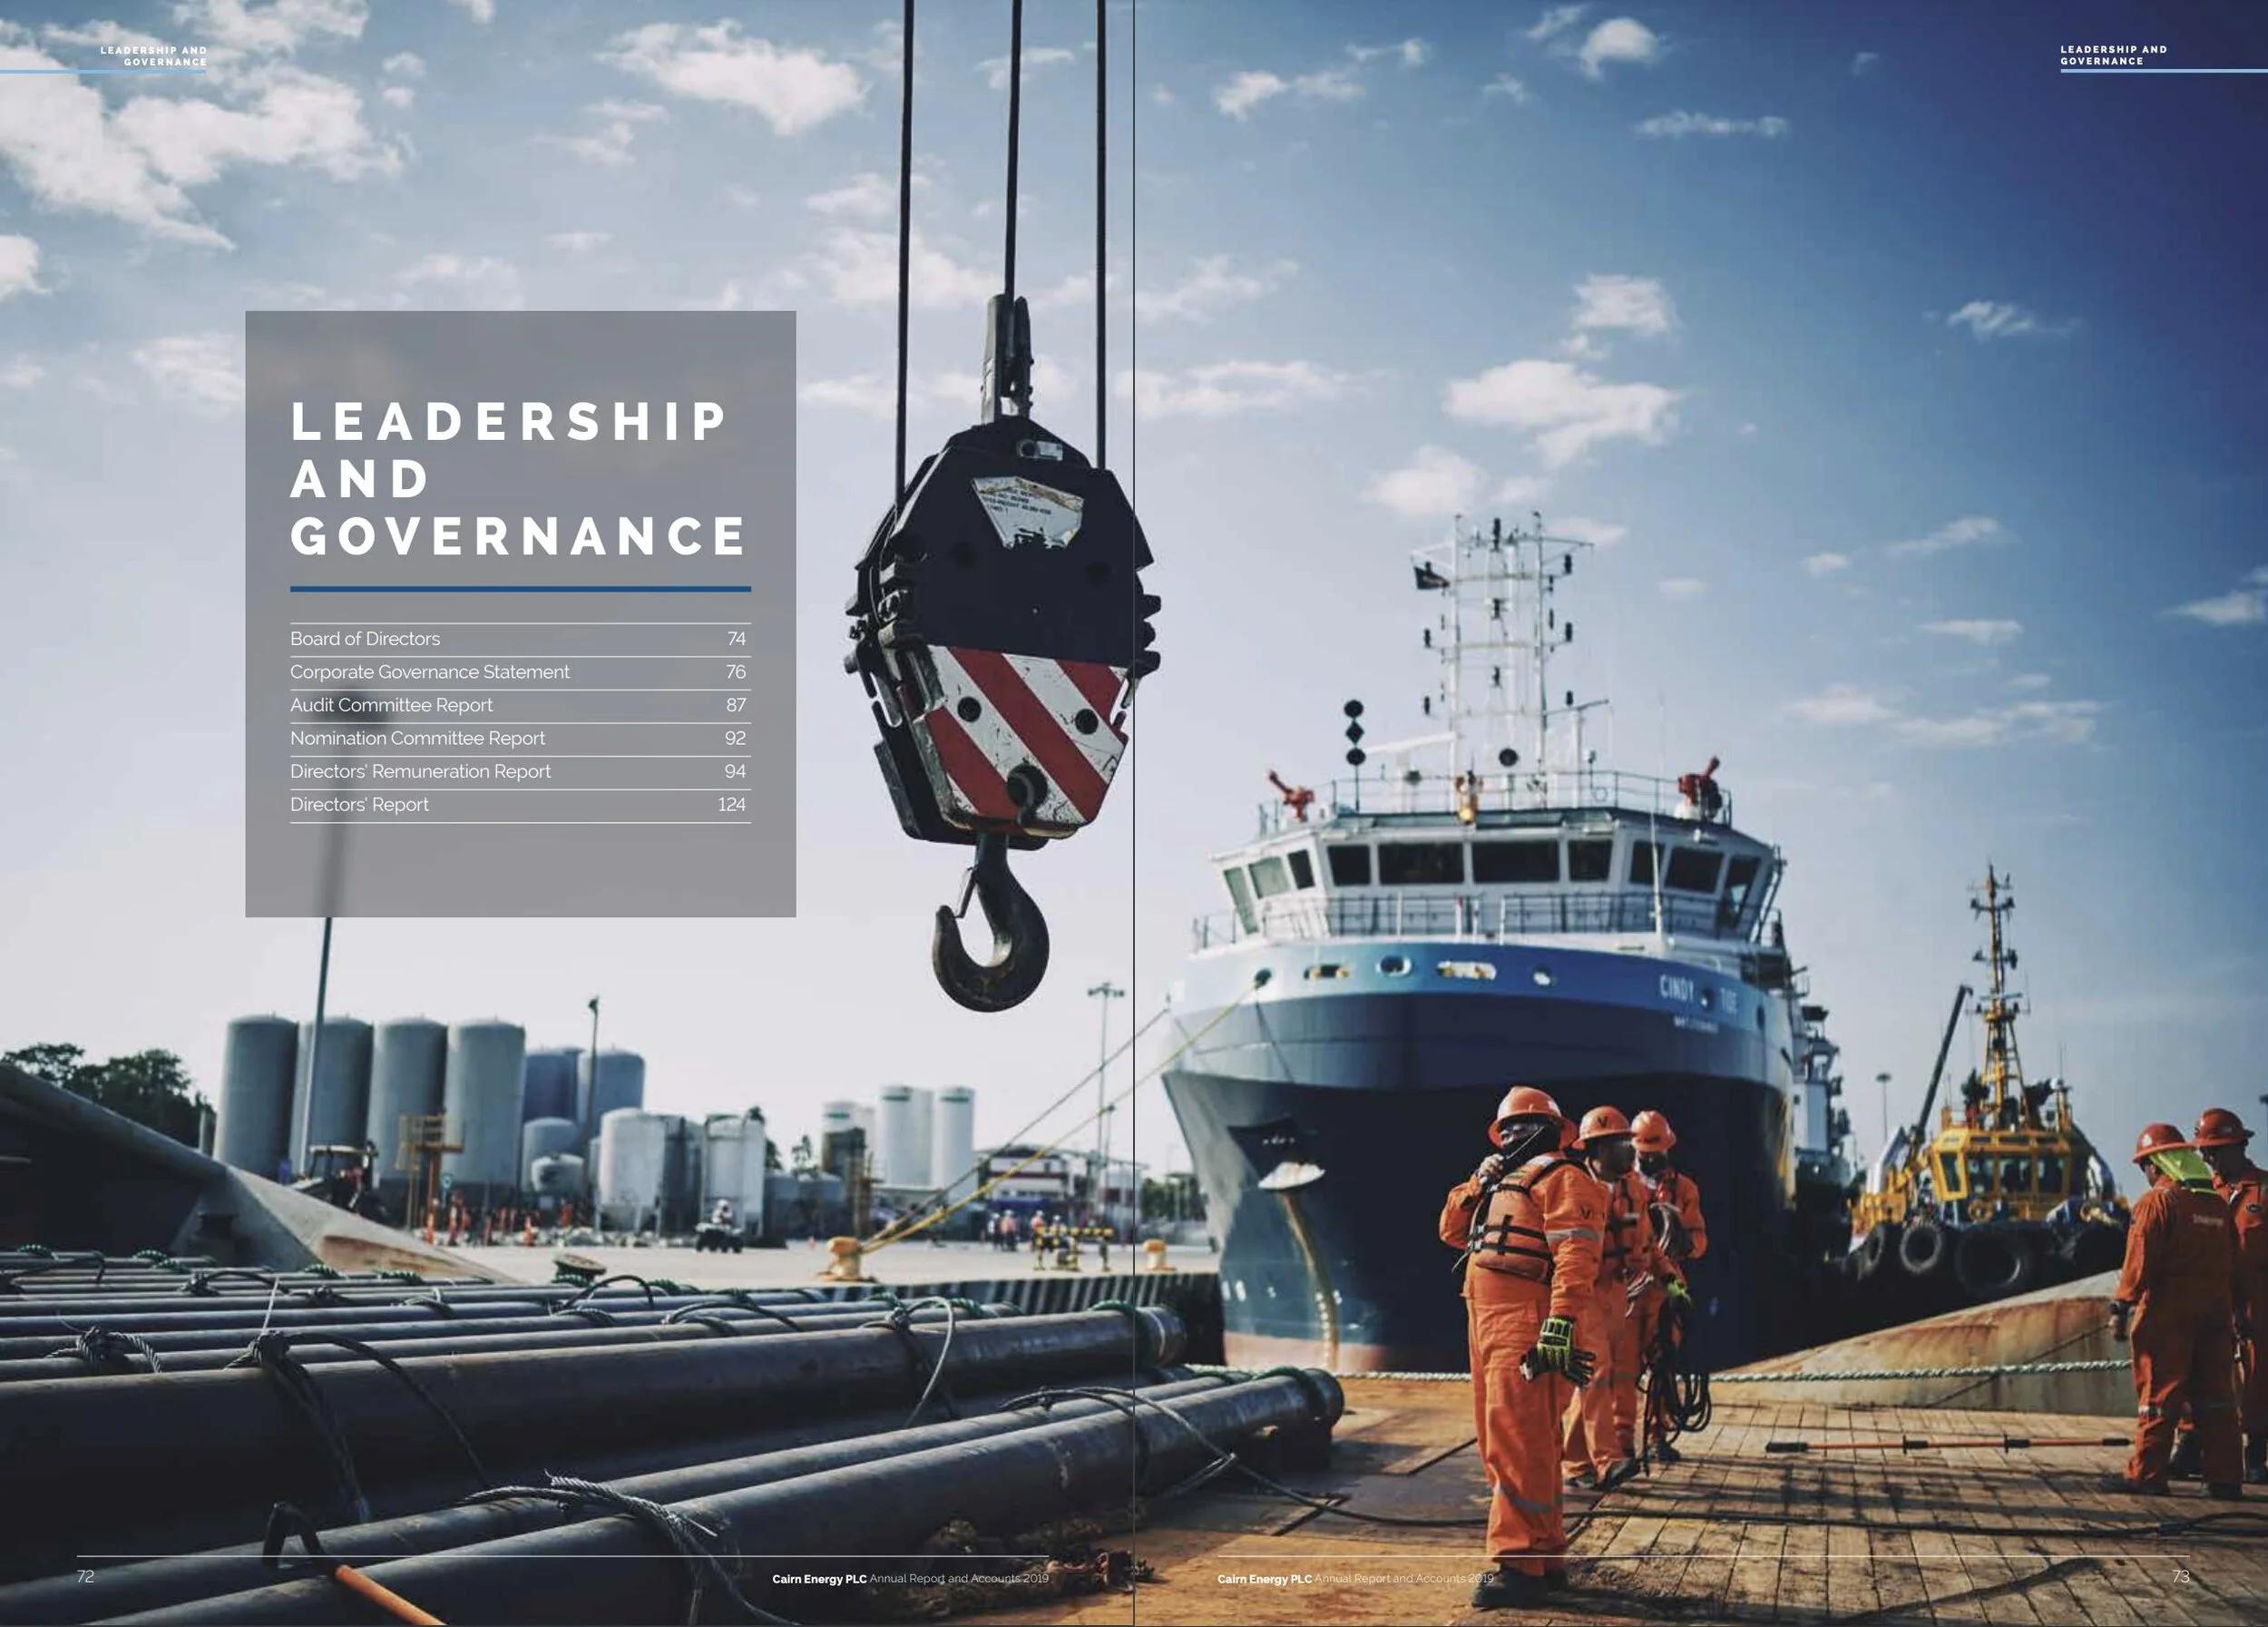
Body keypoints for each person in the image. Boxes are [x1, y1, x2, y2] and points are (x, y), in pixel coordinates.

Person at [1439, 1085, 1603, 1609]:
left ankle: (1517, 1565)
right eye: (1503, 1129)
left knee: (1518, 1442)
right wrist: (1475, 1183)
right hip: (1485, 1323)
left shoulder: (1565, 1179)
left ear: (1549, 1131)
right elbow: (1449, 1230)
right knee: (1512, 1440)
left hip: (1524, 1323)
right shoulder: (1499, 1181)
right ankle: (1545, 1556)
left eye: (1518, 1127)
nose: (1508, 1136)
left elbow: (1576, 1255)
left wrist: (1560, 1323)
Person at [2101, 1122, 2242, 1496]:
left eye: (2144, 1166)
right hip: (2216, 1310)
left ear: (2156, 1163)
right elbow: (2233, 1257)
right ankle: (2225, 1479)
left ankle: (2146, 1475)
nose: (2144, 1174)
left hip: (2171, 1312)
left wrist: (2121, 1306)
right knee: (2216, 1396)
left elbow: (2139, 1261)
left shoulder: (2158, 1202)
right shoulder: (2216, 1203)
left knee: (2159, 1394)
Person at [1559, 1107, 1656, 1491]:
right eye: (1620, 1143)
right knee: (1595, 1372)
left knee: (1606, 1377)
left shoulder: (1634, 1190)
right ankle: (1607, 1459)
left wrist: (1654, 1273)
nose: (1630, 1150)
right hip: (1584, 1291)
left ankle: (1576, 1463)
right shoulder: (1574, 1186)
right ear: (1597, 1150)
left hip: (1619, 1291)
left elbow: (1645, 1240)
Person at [2192, 1108, 2268, 1485]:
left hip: (2258, 1298)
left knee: (2258, 1374)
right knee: (2203, 1370)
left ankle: (2256, 1453)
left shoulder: (2264, 1190)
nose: (2208, 1159)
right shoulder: (2204, 1193)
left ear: (2239, 1146)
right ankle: (2193, 1447)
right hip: (2213, 1295)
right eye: (2204, 1152)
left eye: (2214, 1151)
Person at [1631, 1109, 1705, 1463]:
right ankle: (1618, 1447)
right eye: (1644, 1153)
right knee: (1618, 1369)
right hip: (1627, 1289)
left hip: (1666, 1288)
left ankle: (1657, 1435)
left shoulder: (1683, 1189)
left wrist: (1683, 1242)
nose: (1650, 1159)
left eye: (1655, 1153)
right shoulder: (1619, 1185)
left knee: (1663, 1364)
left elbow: (1699, 1239)